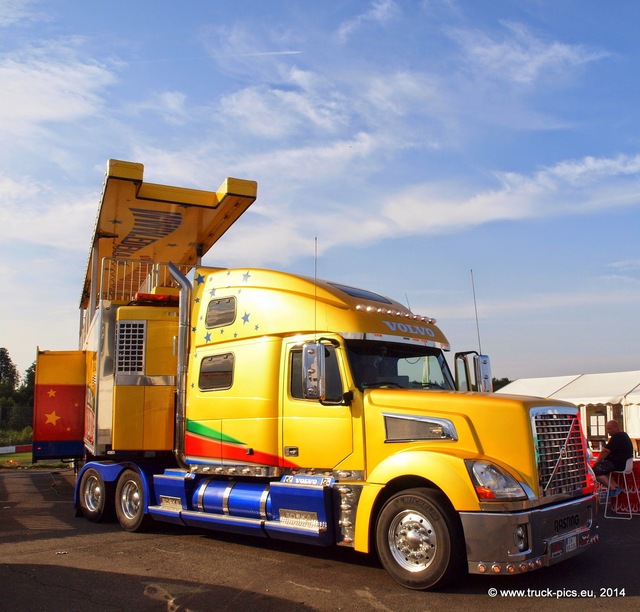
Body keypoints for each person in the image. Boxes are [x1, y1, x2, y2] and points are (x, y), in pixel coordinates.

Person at [592, 420, 634, 496]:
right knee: (604, 470)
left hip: (619, 464)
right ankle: (616, 487)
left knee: (595, 470)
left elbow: (605, 451)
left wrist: (597, 462)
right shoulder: (624, 435)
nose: (608, 431)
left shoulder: (617, 436)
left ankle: (612, 489)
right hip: (624, 463)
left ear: (616, 427)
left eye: (609, 429)